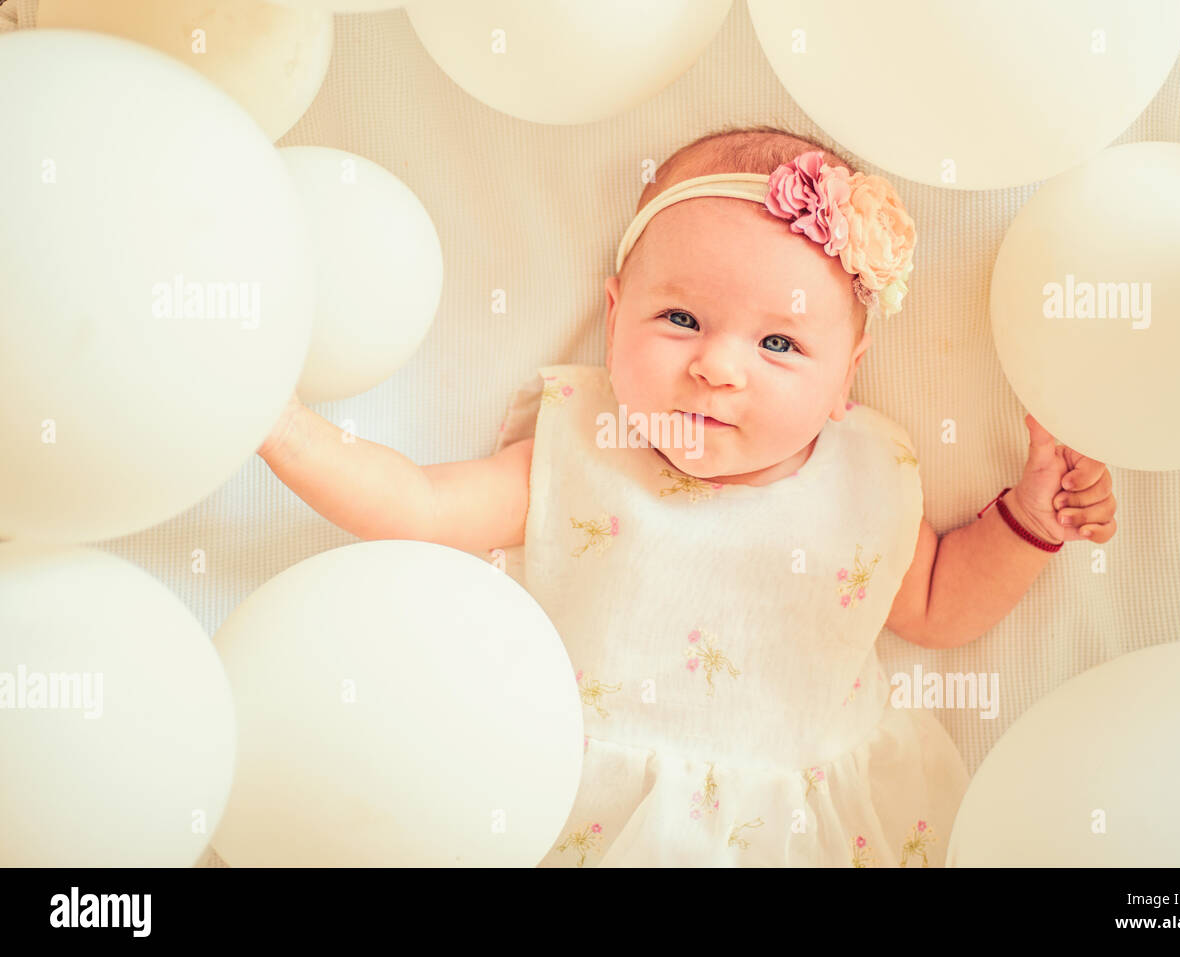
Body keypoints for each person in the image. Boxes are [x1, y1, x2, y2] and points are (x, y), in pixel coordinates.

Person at [258, 126, 1118, 866]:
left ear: (845, 376)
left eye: (778, 341)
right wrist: (277, 425)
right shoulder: (584, 446)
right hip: (584, 802)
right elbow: (417, 505)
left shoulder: (870, 470)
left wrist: (1029, 523)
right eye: (680, 320)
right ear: (613, 311)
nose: (717, 366)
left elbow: (938, 606)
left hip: (800, 828)